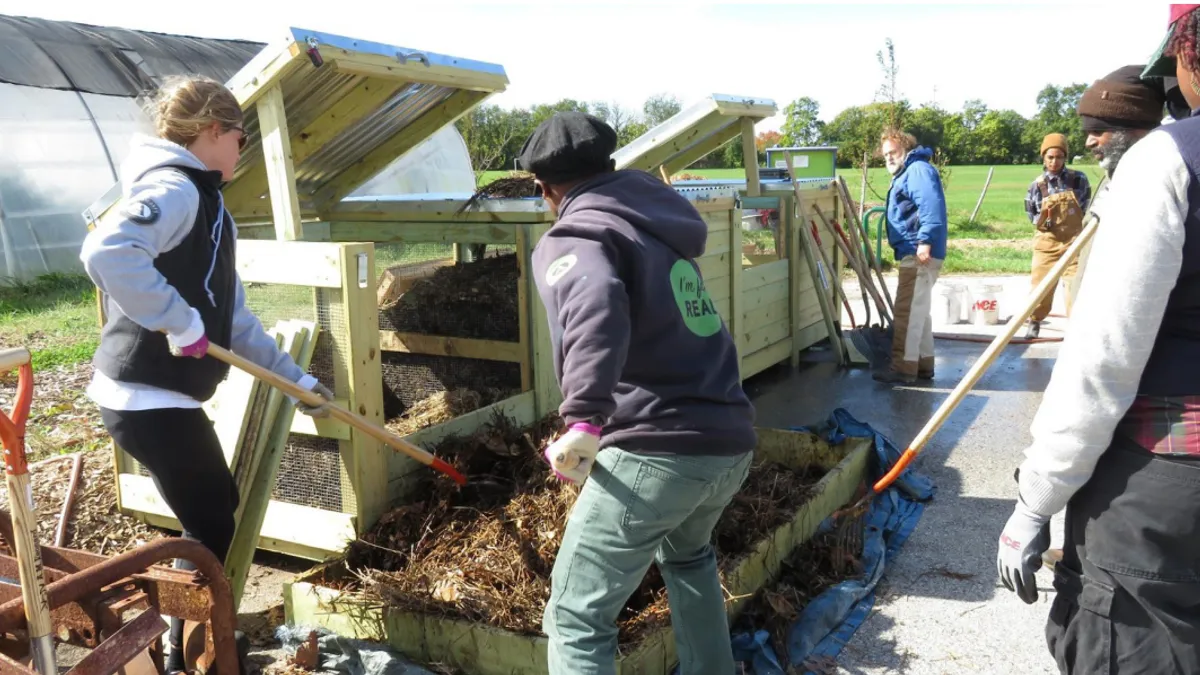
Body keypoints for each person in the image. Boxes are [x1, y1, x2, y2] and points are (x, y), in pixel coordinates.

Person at [79, 75, 334, 673]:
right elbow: (107, 254)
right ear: (213, 131)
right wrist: (177, 321)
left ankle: (181, 634)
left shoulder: (207, 202)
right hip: (142, 392)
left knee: (214, 510)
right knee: (212, 522)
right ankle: (183, 645)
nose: (243, 151)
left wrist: (297, 383)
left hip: (161, 395)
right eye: (241, 138)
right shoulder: (176, 189)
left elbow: (236, 319)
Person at [997, 5, 1200, 672]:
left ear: (1187, 57)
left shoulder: (1167, 163)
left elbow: (1102, 365)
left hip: (1167, 495)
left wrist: (1036, 501)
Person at [522, 111, 757, 675]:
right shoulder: (654, 228)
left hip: (657, 451)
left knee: (577, 616)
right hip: (727, 442)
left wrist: (582, 420)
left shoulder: (576, 236)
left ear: (545, 189)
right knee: (690, 558)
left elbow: (596, 305)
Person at [1065, 65, 1168, 308]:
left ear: (1135, 128)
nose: (1088, 141)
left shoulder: (1159, 185)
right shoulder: (1114, 176)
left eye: (1098, 130)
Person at [875, 129, 948, 384]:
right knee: (920, 311)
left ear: (905, 147)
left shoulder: (916, 170)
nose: (889, 159)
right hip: (920, 249)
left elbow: (930, 206)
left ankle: (902, 368)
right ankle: (923, 364)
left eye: (893, 152)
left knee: (906, 311)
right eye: (885, 155)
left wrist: (924, 242)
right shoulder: (912, 171)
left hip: (917, 251)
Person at [1021, 134, 1092, 339]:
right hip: (1047, 242)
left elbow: (1085, 207)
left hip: (1074, 242)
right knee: (1040, 285)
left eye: (1059, 157)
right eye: (1050, 157)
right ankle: (1034, 322)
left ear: (1065, 157)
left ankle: (1077, 327)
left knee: (1074, 286)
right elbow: (1032, 215)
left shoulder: (1078, 179)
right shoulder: (1037, 185)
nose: (1054, 161)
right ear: (1043, 158)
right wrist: (1046, 221)